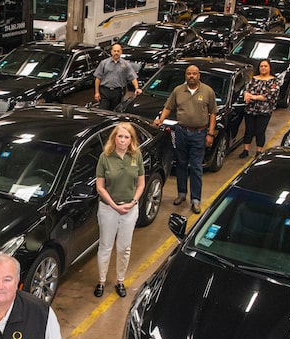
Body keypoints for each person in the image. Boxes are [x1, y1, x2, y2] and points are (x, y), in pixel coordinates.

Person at [153, 65, 217, 214]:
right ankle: (181, 194)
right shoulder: (178, 91)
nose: (191, 76)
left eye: (194, 73)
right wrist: (160, 120)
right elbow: (168, 107)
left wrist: (211, 133)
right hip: (181, 132)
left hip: (199, 134)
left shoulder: (207, 91)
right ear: (186, 76)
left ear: (199, 75)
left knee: (196, 167)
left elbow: (213, 113)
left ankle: (196, 200)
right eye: (189, 74)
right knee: (181, 164)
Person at [93, 122, 145, 298]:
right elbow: (100, 187)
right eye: (120, 136)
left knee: (124, 247)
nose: (122, 140)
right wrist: (115, 206)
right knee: (105, 246)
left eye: (126, 137)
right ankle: (101, 281)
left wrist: (133, 202)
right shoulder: (105, 157)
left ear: (131, 139)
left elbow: (141, 183)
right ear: (114, 137)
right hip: (109, 209)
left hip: (130, 209)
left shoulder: (136, 156)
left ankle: (120, 281)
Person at [239, 59, 280, 159]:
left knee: (260, 131)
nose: (263, 68)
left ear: (270, 68)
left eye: (265, 66)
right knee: (249, 130)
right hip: (250, 110)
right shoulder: (253, 79)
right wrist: (247, 95)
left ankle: (259, 151)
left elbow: (269, 96)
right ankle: (245, 150)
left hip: (264, 111)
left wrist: (253, 97)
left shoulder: (274, 81)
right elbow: (246, 90)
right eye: (261, 66)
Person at [93, 43, 142, 110]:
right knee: (103, 111)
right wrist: (97, 92)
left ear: (121, 52)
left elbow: (133, 77)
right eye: (115, 51)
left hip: (118, 92)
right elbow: (98, 78)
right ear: (111, 52)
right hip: (105, 91)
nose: (116, 53)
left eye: (118, 51)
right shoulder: (104, 63)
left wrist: (137, 88)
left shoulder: (125, 64)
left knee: (115, 112)